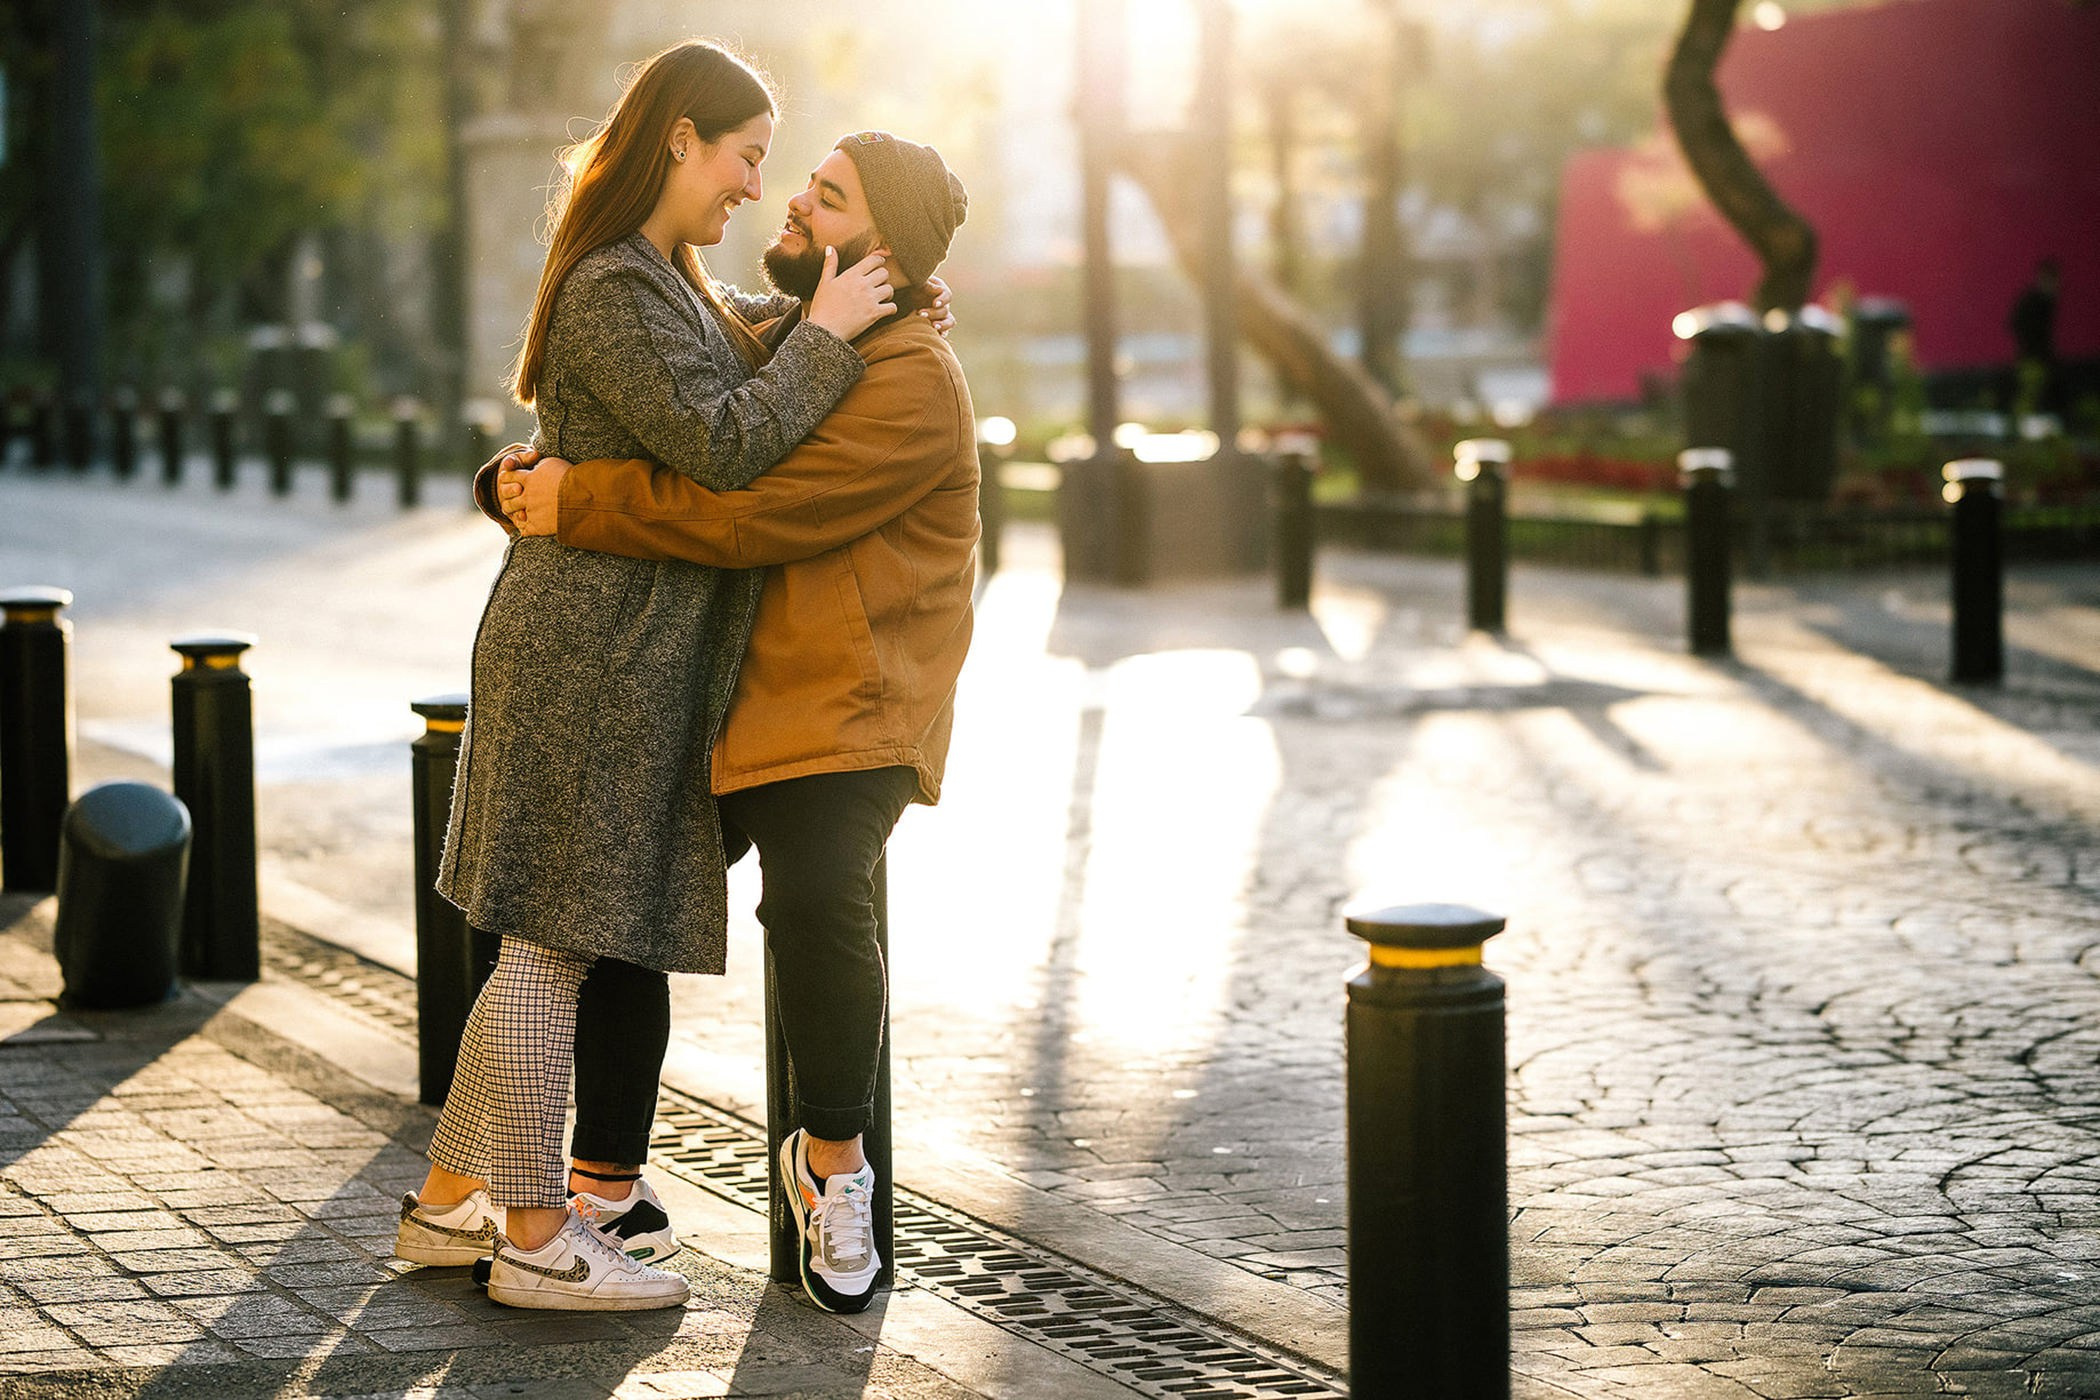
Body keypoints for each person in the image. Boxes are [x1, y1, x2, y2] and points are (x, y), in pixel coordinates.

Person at [392, 41, 905, 1312]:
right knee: (553, 943)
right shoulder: (613, 285)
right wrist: (831, 333)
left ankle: (451, 1203)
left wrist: (848, 304)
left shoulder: (667, 276)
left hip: (620, 654)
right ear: (681, 138)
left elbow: (739, 352)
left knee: (550, 935)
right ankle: (534, 1236)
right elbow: (725, 441)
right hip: (587, 653)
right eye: (744, 158)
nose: (751, 187)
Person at [493, 130, 977, 1315]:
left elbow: (748, 508)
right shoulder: (797, 330)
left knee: (816, 893)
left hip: (852, 705)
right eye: (792, 176)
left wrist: (578, 504)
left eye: (827, 195)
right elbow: (666, 399)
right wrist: (519, 474)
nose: (792, 200)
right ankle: (599, 1182)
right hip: (729, 688)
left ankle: (833, 1164)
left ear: (883, 246)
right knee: (616, 892)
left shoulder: (912, 379)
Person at [2009, 257, 2060, 416]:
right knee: (2030, 396)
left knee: (2030, 397)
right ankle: (2021, 429)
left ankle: (2022, 428)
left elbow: (2014, 323)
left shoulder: (2039, 301)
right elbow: (2018, 324)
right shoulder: (2036, 302)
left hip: (2032, 357)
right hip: (2033, 358)